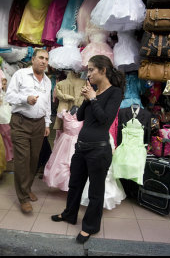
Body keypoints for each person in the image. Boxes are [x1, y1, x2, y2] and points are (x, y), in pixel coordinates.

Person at [51, 55, 125, 244]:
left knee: (95, 191)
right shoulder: (95, 92)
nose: (88, 73)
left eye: (91, 69)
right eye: (88, 70)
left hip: (99, 150)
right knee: (74, 185)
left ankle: (90, 227)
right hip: (81, 147)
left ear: (103, 71)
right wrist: (87, 98)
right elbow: (81, 116)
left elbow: (105, 120)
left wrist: (93, 99)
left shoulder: (115, 93)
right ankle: (69, 214)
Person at [5, 48, 52, 213]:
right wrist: (26, 99)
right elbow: (8, 96)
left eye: (46, 59)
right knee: (22, 160)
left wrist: (47, 124)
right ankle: (23, 197)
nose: (43, 61)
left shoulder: (47, 81)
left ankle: (27, 187)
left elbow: (47, 105)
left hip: (39, 124)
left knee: (34, 159)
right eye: (40, 57)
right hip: (21, 122)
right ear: (33, 59)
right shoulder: (21, 75)